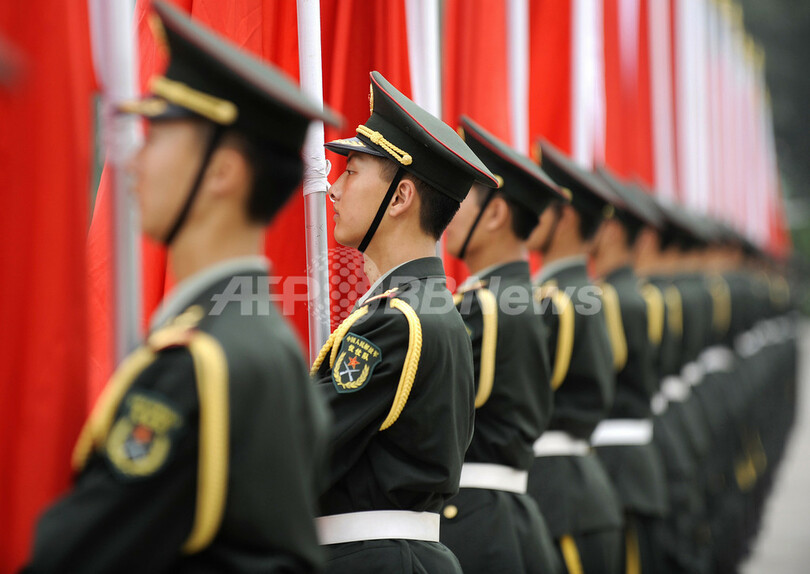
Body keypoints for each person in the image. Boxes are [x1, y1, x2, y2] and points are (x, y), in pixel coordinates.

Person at [24, 3, 339, 572]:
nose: (134, 160)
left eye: (158, 136)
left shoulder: (198, 366)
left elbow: (71, 554)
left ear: (222, 172)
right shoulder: (270, 347)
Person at [311, 71, 498, 573]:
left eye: (352, 172)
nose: (333, 188)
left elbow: (303, 444)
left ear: (399, 198)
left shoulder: (398, 322)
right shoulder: (424, 308)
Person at [440, 115, 565, 574]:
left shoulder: (486, 306)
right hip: (509, 520)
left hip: (475, 522)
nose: (448, 211)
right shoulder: (521, 298)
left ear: (495, 214)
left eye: (460, 199)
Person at [525, 139, 623, 574]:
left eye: (538, 202)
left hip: (558, 497)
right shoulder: (582, 292)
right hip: (577, 490)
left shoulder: (558, 300)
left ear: (564, 217)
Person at [589, 167, 670, 573]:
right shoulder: (633, 294)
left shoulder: (609, 299)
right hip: (630, 465)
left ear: (614, 232)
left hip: (617, 467)